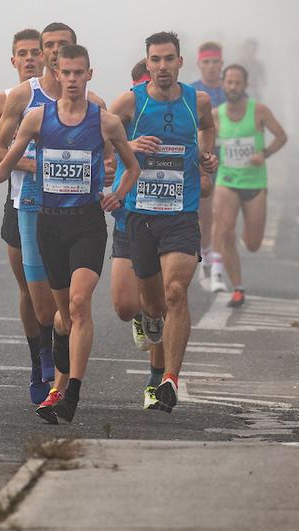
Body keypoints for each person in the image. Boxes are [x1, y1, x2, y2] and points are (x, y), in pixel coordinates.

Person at [0, 44, 140, 424]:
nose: (71, 80)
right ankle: (58, 378)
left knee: (80, 304)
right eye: (65, 73)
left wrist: (116, 194)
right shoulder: (37, 118)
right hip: (48, 225)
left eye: (78, 73)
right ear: (57, 73)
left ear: (89, 74)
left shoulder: (105, 122)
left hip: (86, 224)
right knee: (61, 318)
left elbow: (130, 166)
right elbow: (8, 156)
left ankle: (71, 395)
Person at [0, 22, 111, 406]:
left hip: (78, 214)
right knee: (43, 306)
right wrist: (33, 165)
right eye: (50, 47)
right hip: (31, 205)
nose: (57, 52)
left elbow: (110, 157)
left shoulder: (96, 106)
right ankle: (41, 358)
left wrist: (109, 172)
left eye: (64, 46)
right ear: (44, 55)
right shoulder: (25, 98)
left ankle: (59, 380)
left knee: (68, 307)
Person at [109, 31, 218, 413]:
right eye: (155, 60)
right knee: (142, 305)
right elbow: (100, 134)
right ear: (148, 63)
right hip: (140, 216)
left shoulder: (197, 101)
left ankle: (169, 379)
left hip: (181, 216)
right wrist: (130, 146)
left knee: (175, 292)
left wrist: (207, 157)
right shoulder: (130, 102)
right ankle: (149, 320)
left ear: (180, 62)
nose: (162, 67)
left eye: (169, 59)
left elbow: (208, 128)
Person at [0, 28, 55, 404]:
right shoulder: (4, 100)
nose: (31, 58)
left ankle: (58, 363)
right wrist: (17, 149)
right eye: (24, 53)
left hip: (60, 200)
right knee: (27, 287)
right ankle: (38, 359)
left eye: (37, 51)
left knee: (56, 286)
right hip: (17, 196)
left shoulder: (60, 97)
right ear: (14, 60)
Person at [109, 60, 169, 411]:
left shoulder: (174, 115)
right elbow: (98, 140)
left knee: (157, 305)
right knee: (124, 305)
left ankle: (155, 380)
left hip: (164, 219)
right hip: (127, 217)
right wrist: (130, 145)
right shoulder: (123, 116)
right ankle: (139, 315)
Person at [211, 64, 288, 307]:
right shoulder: (215, 115)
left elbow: (281, 136)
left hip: (254, 182)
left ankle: (243, 242)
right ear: (223, 84)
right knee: (225, 230)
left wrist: (263, 154)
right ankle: (238, 288)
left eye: (237, 83)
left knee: (253, 244)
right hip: (227, 180)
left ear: (245, 85)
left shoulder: (259, 111)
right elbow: (205, 144)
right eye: (229, 82)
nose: (232, 87)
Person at [190, 41, 226, 277]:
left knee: (221, 210)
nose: (211, 67)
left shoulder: (231, 89)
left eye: (215, 62)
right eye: (207, 62)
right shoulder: (191, 91)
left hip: (227, 154)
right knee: (205, 212)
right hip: (203, 154)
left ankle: (217, 255)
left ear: (221, 64)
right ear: (199, 64)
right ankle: (205, 251)